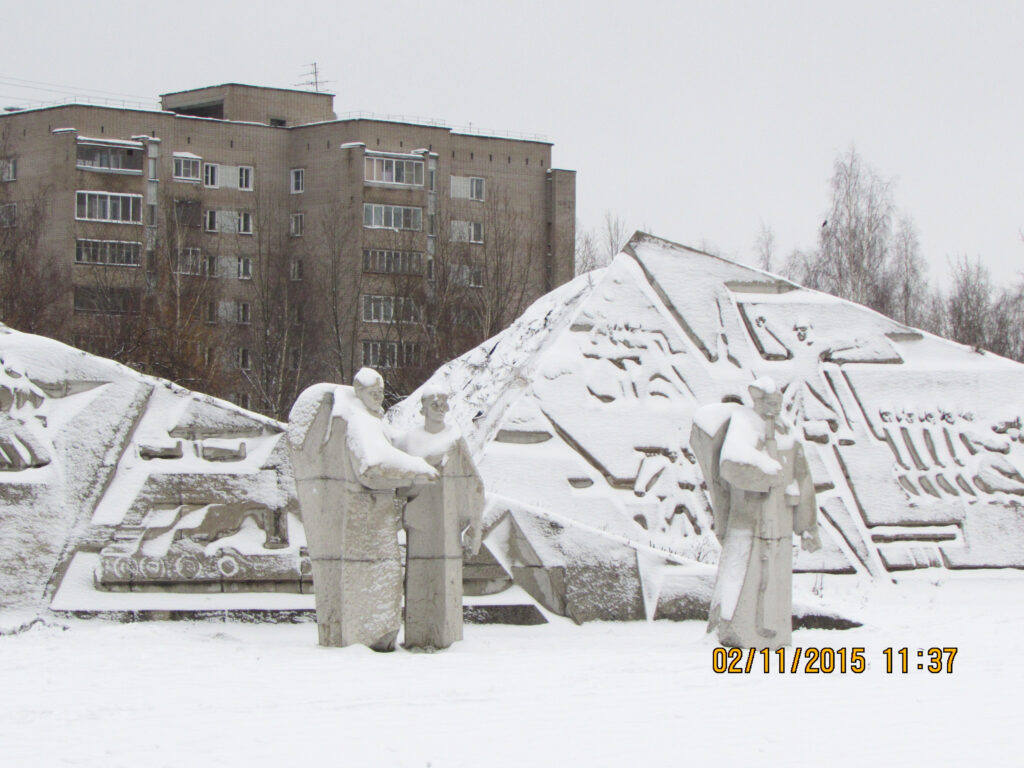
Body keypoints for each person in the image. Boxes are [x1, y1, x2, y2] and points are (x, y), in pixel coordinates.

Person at [289, 368, 437, 651]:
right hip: (366, 513)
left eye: (381, 393)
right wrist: (417, 469)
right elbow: (372, 464)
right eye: (373, 393)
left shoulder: (371, 419)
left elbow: (397, 444)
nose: (378, 397)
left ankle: (374, 633)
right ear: (359, 393)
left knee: (385, 576)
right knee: (376, 578)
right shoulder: (358, 421)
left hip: (375, 512)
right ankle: (369, 635)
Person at [690, 377, 820, 648]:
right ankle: (735, 635)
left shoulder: (787, 431)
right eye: (768, 402)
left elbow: (802, 479)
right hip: (748, 523)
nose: (773, 407)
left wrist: (807, 527)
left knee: (775, 583)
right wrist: (763, 471)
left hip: (781, 524)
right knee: (742, 582)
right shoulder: (745, 423)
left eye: (777, 403)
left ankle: (773, 638)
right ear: (757, 401)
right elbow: (731, 464)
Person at [395, 389, 484, 649]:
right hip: (419, 520)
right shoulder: (409, 441)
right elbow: (397, 484)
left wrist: (475, 527)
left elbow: (474, 482)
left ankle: (444, 637)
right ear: (423, 408)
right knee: (419, 581)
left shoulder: (454, 439)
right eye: (433, 402)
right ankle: (419, 636)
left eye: (443, 402)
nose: (439, 406)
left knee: (445, 584)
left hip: (447, 524)